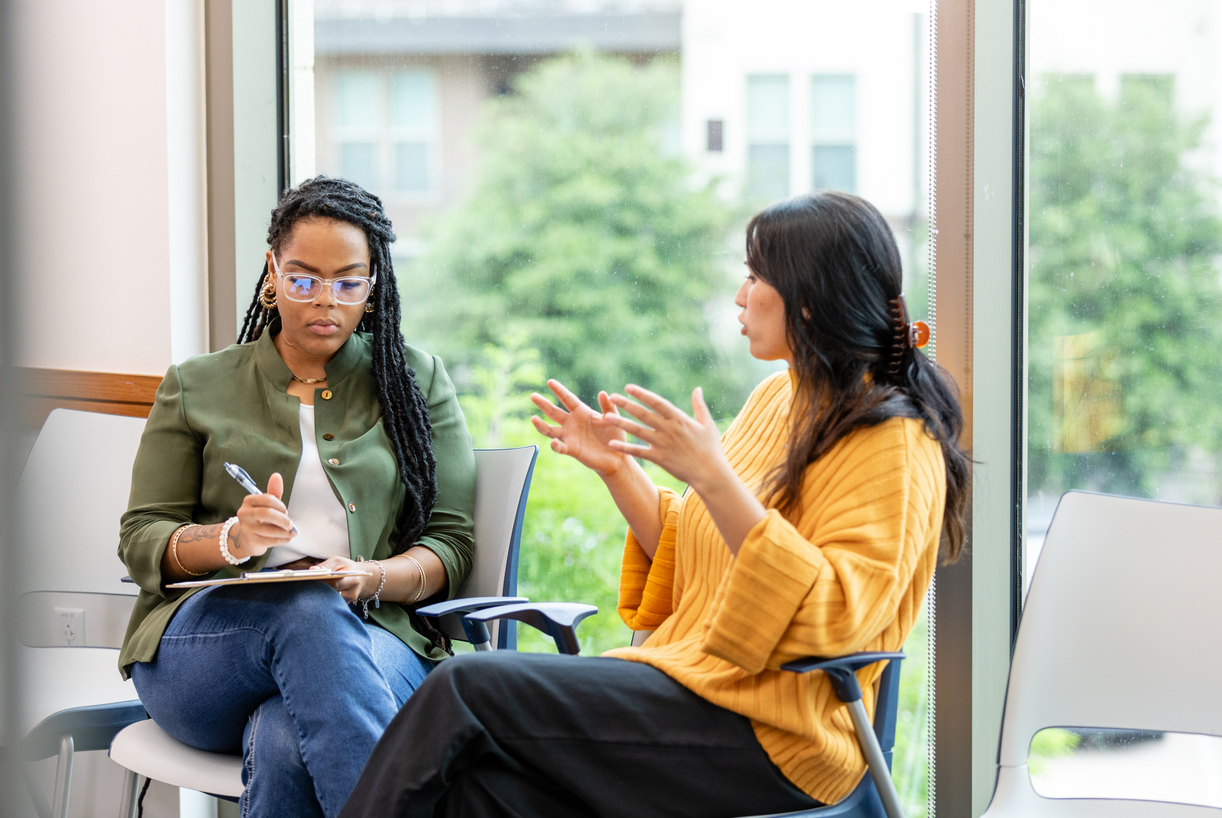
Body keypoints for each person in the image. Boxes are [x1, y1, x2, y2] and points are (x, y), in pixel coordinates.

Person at [339, 191, 971, 818]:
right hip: (698, 689)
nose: (739, 296)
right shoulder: (777, 398)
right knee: (480, 794)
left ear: (809, 300)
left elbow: (839, 619)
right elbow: (699, 548)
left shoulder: (893, 441)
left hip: (781, 735)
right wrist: (620, 470)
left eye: (754, 277)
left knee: (464, 685)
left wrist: (712, 476)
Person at [117, 177, 476, 818]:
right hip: (205, 655)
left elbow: (450, 544)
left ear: (374, 284)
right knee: (305, 608)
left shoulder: (416, 381)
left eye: (348, 282)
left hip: (374, 637)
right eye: (304, 279)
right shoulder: (195, 385)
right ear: (272, 272)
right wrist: (230, 539)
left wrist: (371, 576)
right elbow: (142, 537)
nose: (325, 301)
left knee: (287, 736)